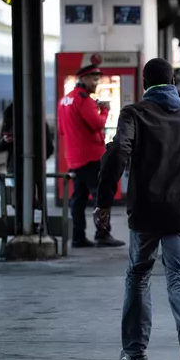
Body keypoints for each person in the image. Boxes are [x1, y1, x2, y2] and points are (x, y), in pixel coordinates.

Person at [93, 58, 180, 360]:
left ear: (145, 83)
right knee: (178, 276)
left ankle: (136, 355)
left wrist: (105, 200)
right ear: (174, 80)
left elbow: (119, 150)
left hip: (146, 211)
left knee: (139, 274)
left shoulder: (134, 113)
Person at [57, 65, 124, 248]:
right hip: (91, 157)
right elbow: (97, 124)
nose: (96, 82)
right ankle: (102, 235)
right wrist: (105, 110)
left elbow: (62, 130)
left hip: (74, 158)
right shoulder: (83, 100)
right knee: (101, 196)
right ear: (84, 79)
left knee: (77, 199)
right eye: (93, 79)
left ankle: (78, 237)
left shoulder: (65, 100)